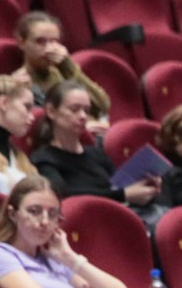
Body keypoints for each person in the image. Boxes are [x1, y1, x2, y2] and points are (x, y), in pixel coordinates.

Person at [0, 176, 136, 288]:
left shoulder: (53, 257)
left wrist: (70, 257)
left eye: (52, 214)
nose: (45, 221)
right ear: (13, 214)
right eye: (34, 211)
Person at [30, 81, 158, 208]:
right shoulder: (43, 159)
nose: (83, 116)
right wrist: (123, 195)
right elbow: (63, 195)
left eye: (86, 111)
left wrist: (145, 189)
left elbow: (118, 188)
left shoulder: (97, 154)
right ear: (51, 111)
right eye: (74, 109)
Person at [13, 12, 110, 118]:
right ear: (21, 42)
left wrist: (67, 66)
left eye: (54, 41)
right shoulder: (20, 82)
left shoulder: (64, 72)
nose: (49, 49)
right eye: (40, 41)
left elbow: (102, 107)